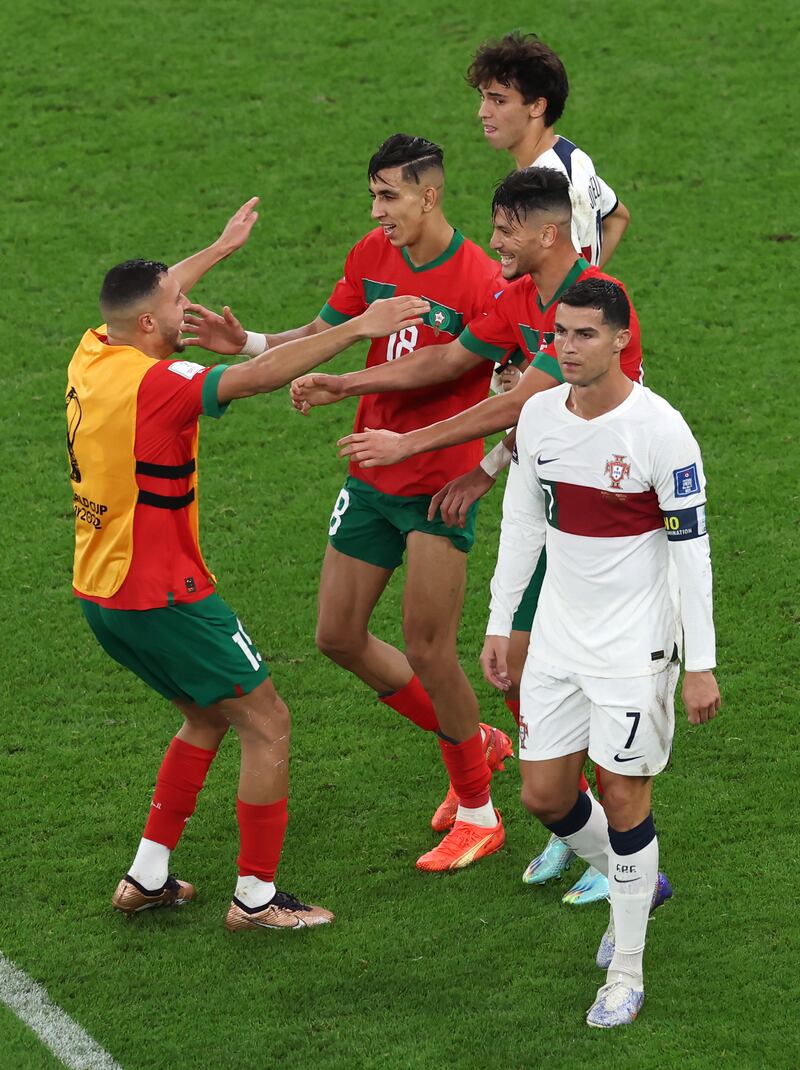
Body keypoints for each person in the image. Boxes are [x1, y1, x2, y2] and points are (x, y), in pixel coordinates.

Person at [136, 134, 516, 873]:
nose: (378, 212)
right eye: (373, 196)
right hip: (370, 473)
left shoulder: (477, 278)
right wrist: (246, 342)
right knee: (338, 636)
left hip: (438, 484)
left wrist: (348, 387)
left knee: (429, 649)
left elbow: (449, 364)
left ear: (429, 194)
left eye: (389, 197)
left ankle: (476, 808)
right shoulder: (370, 256)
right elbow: (322, 333)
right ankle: (477, 744)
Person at [291, 167, 642, 898]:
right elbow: (452, 362)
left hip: (611, 516)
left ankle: (622, 853)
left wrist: (409, 448)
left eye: (506, 229)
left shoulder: (590, 307)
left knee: (599, 683)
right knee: (518, 670)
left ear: (547, 233)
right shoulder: (516, 297)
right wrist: (346, 385)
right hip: (544, 505)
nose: (494, 243)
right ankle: (571, 829)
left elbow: (519, 402)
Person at [67, 225, 427, 929]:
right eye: (179, 303)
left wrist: (220, 249)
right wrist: (363, 325)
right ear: (149, 323)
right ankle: (256, 898)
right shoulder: (160, 386)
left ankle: (146, 875)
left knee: (205, 716)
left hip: (102, 593)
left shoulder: (93, 353)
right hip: (165, 593)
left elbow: (153, 291)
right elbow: (261, 377)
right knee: (268, 722)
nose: (189, 308)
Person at [481, 277, 720, 1027]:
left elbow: (693, 555)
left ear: (621, 339)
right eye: (560, 333)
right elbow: (521, 526)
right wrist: (498, 623)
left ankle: (626, 970)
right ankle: (635, 883)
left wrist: (700, 661)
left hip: (634, 645)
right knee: (545, 796)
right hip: (556, 638)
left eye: (586, 334)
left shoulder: (661, 432)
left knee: (622, 797)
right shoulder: (539, 416)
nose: (568, 347)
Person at [468, 31, 630, 268]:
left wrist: (579, 293)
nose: (483, 112)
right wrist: (593, 278)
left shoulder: (547, 188)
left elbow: (561, 277)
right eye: (483, 98)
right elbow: (617, 217)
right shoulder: (573, 157)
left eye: (499, 101)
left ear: (537, 106)